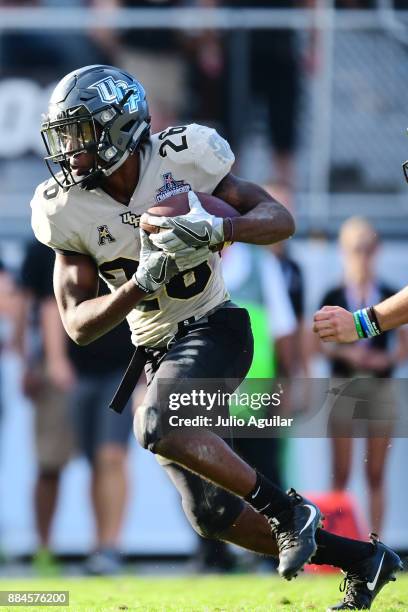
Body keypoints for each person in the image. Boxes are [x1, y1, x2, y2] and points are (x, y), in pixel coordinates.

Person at [31, 64, 402, 610]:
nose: (70, 150)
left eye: (81, 134)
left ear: (120, 127)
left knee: (157, 422)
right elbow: (78, 324)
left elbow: (279, 219)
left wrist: (223, 227)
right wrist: (140, 282)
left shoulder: (181, 157)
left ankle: (287, 509)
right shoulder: (66, 207)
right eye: (63, 136)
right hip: (156, 348)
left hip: (217, 325)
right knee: (211, 515)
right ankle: (365, 562)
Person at [316, 217, 408, 535]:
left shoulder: (389, 293)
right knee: (340, 471)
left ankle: (375, 544)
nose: (363, 256)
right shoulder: (334, 293)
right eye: (356, 249)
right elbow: (317, 345)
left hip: (379, 385)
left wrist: (381, 358)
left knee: (376, 473)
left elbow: (402, 348)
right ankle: (339, 545)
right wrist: (347, 353)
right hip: (345, 385)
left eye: (368, 249)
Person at [15, 240, 76, 574]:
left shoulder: (114, 228)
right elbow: (30, 304)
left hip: (106, 365)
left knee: (108, 460)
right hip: (54, 371)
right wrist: (29, 361)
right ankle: (44, 547)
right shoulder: (42, 245)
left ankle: (106, 548)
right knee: (49, 463)